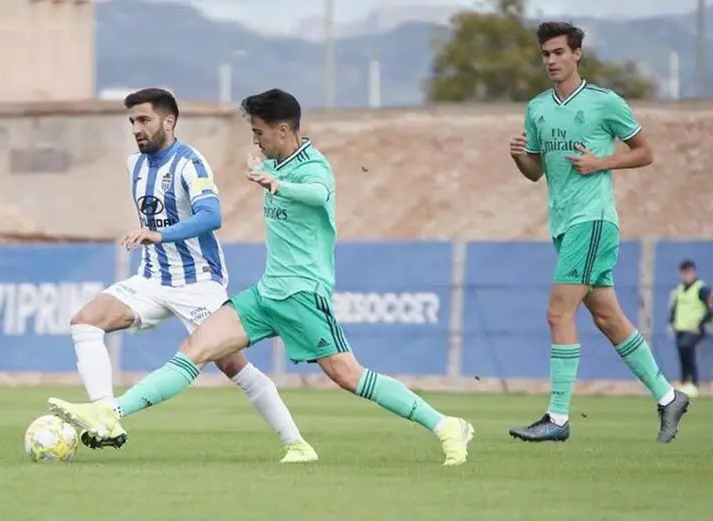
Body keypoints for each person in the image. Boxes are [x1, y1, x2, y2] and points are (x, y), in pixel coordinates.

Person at [48, 88, 475, 466]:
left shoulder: (312, 168)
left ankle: (445, 425)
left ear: (284, 129)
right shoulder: (274, 162)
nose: (255, 139)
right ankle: (110, 413)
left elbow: (319, 195)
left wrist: (277, 184)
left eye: (259, 132)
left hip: (304, 296)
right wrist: (267, 175)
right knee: (195, 349)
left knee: (350, 376)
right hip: (267, 294)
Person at [67, 87, 317, 463]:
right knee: (85, 322)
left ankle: (296, 443)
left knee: (234, 366)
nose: (136, 128)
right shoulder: (134, 164)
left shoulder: (189, 163)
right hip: (151, 280)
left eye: (144, 119)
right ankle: (107, 418)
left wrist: (160, 234)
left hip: (198, 283)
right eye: (132, 120)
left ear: (169, 121)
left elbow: (211, 216)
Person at [507, 21, 690, 443]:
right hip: (562, 225)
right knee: (608, 318)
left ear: (576, 55)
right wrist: (519, 157)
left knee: (558, 312)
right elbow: (535, 173)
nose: (551, 60)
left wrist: (601, 163)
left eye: (558, 52)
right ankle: (668, 397)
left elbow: (645, 153)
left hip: (593, 221)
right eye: (545, 54)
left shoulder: (605, 103)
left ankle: (557, 418)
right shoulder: (537, 108)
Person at [669, 259, 712, 398]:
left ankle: (694, 383)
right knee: (682, 352)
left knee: (687, 348)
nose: (686, 276)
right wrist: (672, 321)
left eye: (689, 273)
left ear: (693, 272)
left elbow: (711, 307)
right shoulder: (680, 289)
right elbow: (675, 307)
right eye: (684, 273)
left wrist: (701, 323)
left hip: (695, 329)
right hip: (681, 328)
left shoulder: (701, 288)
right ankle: (684, 382)